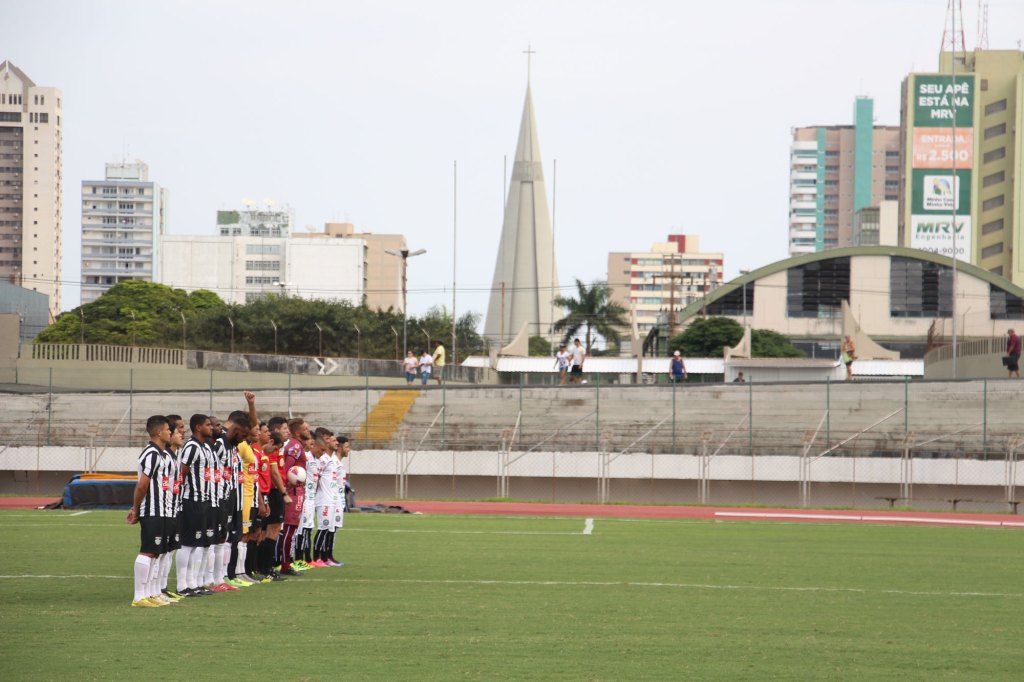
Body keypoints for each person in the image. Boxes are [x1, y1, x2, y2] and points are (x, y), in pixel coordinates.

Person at [127, 415, 175, 607]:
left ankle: (152, 592)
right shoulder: (151, 454)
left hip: (164, 510)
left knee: (156, 553)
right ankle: (139, 596)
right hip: (153, 510)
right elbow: (142, 486)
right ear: (158, 432)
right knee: (148, 551)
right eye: (167, 429)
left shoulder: (162, 454)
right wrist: (136, 509)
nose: (170, 432)